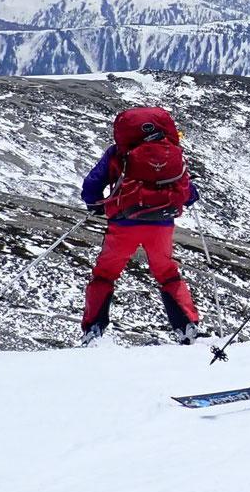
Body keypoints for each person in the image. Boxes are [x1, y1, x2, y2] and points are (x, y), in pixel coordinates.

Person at [78, 104, 202, 345]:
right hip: (162, 224)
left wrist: (94, 204)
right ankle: (186, 324)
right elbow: (188, 191)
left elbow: (93, 182)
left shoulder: (118, 153)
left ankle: (94, 329)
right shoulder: (172, 152)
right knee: (166, 273)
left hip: (124, 223)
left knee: (105, 273)